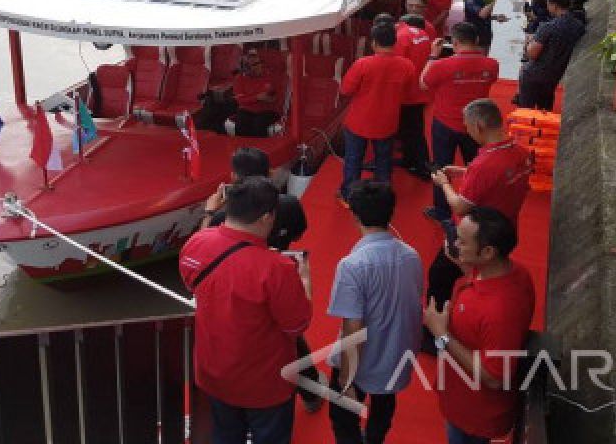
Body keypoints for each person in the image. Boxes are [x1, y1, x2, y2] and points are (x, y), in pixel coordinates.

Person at [179, 178, 313, 444]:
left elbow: (191, 283)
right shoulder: (277, 269)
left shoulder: (196, 244)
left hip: (213, 373)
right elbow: (296, 326)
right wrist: (306, 282)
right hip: (264, 384)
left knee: (224, 434)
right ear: (266, 217)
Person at [200, 148, 322, 412]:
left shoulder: (224, 217)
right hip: (279, 282)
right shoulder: (288, 205)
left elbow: (203, 249)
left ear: (234, 177)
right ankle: (310, 391)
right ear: (269, 173)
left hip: (239, 290)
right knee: (291, 340)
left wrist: (209, 214)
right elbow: (299, 232)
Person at [423, 207, 535, 444]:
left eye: (463, 242)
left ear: (487, 252)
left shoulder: (499, 311)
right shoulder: (513, 273)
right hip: (462, 396)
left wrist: (441, 335)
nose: (455, 244)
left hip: (474, 413)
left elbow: (495, 376)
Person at [326, 182, 424, 444]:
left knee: (344, 421)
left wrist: (346, 382)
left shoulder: (352, 265)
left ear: (354, 214)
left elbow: (352, 328)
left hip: (361, 362)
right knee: (383, 410)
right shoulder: (412, 256)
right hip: (394, 355)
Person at [426, 99, 530, 308]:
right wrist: (464, 172)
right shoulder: (520, 152)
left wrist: (444, 183)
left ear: (478, 127)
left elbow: (459, 206)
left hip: (477, 234)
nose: (467, 131)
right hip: (506, 226)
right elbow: (498, 178)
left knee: (440, 276)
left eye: (467, 126)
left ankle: (438, 321)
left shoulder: (484, 165)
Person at [420, 22, 500, 221]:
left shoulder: (442, 65)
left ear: (454, 42)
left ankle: (442, 211)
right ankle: (474, 206)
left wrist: (432, 55)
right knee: (474, 167)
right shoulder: (492, 65)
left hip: (445, 124)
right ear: (477, 41)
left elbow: (423, 83)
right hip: (476, 125)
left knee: (441, 167)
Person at [338, 24, 416, 202]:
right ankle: (383, 195)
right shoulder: (406, 65)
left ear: (373, 43)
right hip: (387, 122)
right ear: (395, 42)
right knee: (384, 160)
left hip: (359, 121)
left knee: (353, 160)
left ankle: (349, 196)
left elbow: (345, 90)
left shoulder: (362, 64)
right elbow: (408, 93)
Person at [517, 0, 585, 111]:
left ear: (554, 5)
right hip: (555, 74)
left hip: (534, 74)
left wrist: (528, 43)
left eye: (548, 5)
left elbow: (532, 53)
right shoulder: (578, 26)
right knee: (545, 108)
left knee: (526, 110)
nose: (548, 8)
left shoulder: (548, 27)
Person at [393, 14, 433, 178]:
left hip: (408, 92)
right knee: (413, 129)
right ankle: (411, 160)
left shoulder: (401, 36)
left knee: (413, 131)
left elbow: (398, 65)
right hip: (419, 88)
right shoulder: (422, 34)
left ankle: (422, 166)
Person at [229, 48, 280, 136]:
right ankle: (242, 146)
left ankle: (260, 148)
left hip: (267, 110)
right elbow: (240, 100)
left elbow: (275, 96)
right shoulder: (239, 79)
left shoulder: (269, 76)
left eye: (258, 63)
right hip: (247, 110)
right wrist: (257, 97)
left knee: (258, 124)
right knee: (241, 122)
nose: (258, 66)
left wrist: (272, 99)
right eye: (253, 65)